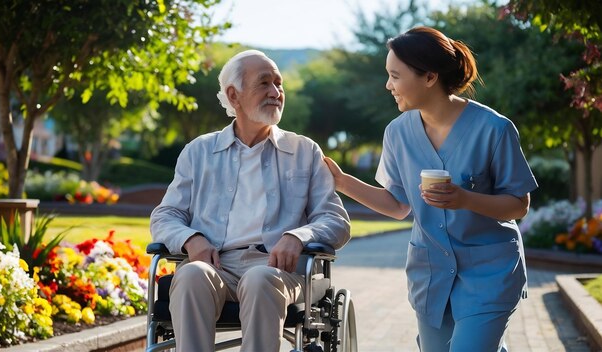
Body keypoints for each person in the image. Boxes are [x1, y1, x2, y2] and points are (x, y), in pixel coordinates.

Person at [324, 26, 537, 351]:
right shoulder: (397, 133)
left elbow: (518, 204)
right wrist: (341, 182)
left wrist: (464, 198)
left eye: (395, 76)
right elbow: (398, 205)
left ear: (429, 77)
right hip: (431, 276)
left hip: (489, 274)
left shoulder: (494, 129)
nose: (388, 85)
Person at [150, 49, 351, 352]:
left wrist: (299, 235)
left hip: (279, 271)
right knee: (191, 274)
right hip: (217, 265)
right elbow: (165, 215)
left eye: (279, 84)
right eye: (264, 83)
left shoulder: (304, 151)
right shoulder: (199, 152)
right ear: (234, 95)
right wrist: (190, 238)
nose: (276, 92)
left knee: (259, 279)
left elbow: (336, 221)